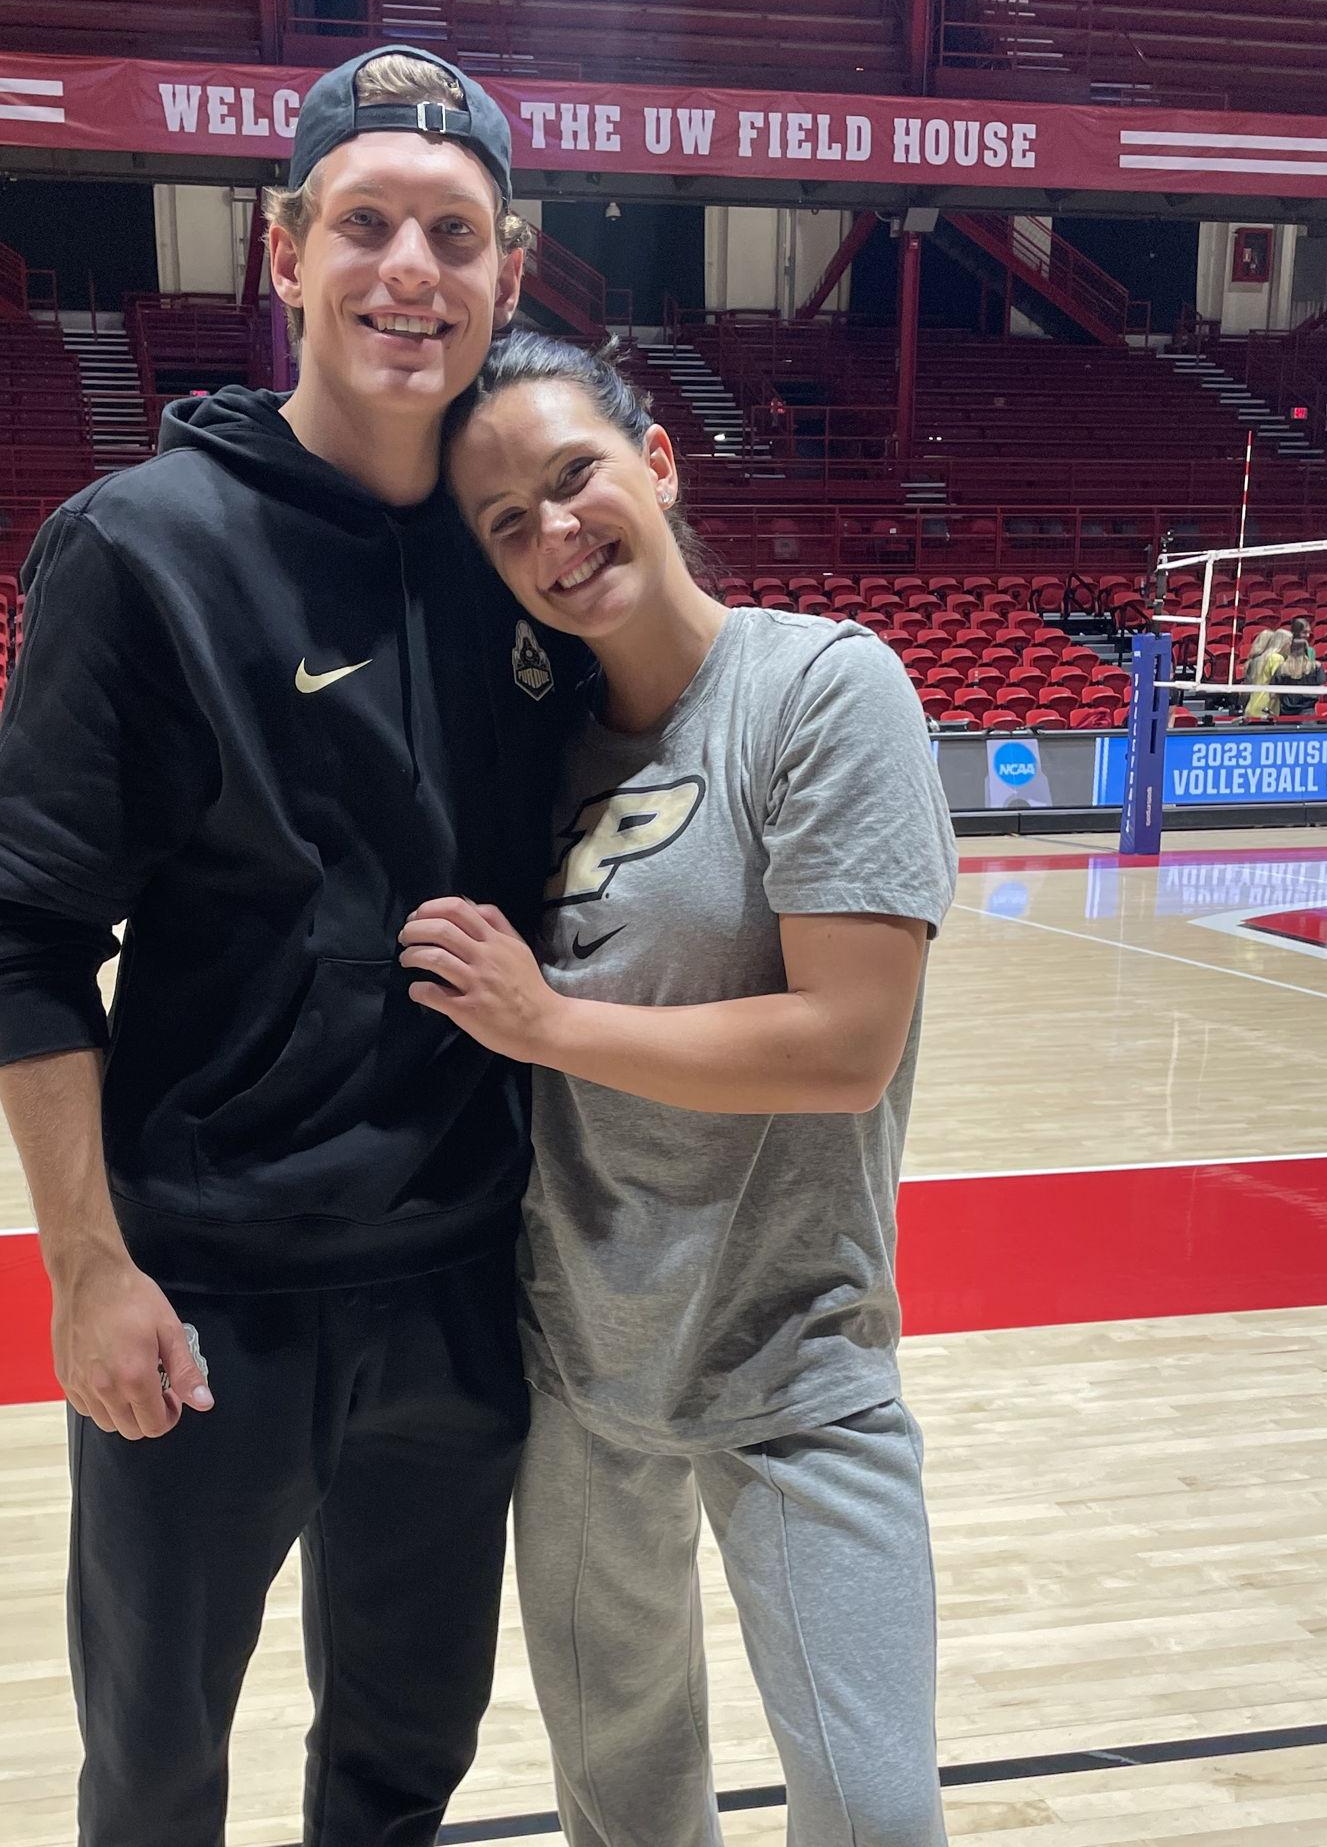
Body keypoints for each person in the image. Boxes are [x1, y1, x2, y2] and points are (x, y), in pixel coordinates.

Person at [0, 45, 582, 1846]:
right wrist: (88, 1270)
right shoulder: (137, 549)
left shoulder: (521, 549)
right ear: (280, 249)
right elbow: (23, 934)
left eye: (452, 234)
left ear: (510, 275)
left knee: (404, 1758)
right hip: (205, 1293)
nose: (410, 270)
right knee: (154, 1769)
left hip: (461, 1278)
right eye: (366, 223)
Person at [406, 332, 957, 1847]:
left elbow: (846, 1042)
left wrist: (550, 1020)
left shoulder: (823, 687)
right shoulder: (531, 755)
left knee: (875, 1813)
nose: (554, 533)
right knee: (625, 1813)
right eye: (506, 523)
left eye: (573, 475)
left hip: (797, 1361)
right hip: (579, 1375)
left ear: (657, 459)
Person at [1274, 630, 1324, 719]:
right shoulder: (1316, 666)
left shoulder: (1281, 668)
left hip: (1286, 711)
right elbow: (1321, 688)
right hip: (1308, 712)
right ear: (1306, 649)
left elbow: (1273, 693)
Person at [1241, 627, 1287, 721]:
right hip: (1266, 708)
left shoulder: (1255, 661)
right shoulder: (1276, 659)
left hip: (1252, 705)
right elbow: (1276, 686)